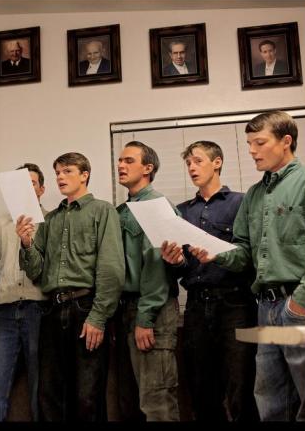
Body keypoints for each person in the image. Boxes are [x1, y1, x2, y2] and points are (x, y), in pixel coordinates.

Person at [188, 111, 305, 421]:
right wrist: (216, 254)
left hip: (299, 306)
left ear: (286, 141)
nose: (252, 151)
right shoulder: (255, 194)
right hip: (265, 308)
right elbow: (244, 252)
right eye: (249, 144)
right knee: (270, 399)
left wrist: (301, 301)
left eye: (259, 142)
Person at [16, 152, 125, 421]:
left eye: (67, 171)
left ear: (84, 175)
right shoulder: (50, 220)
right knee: (50, 394)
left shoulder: (103, 211)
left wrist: (98, 317)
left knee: (87, 395)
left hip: (86, 308)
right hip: (52, 311)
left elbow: (111, 268)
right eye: (57, 173)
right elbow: (36, 272)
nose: (60, 177)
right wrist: (27, 243)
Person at [160, 141, 258, 421]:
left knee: (241, 387)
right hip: (195, 308)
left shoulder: (241, 202)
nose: (192, 167)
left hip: (235, 304)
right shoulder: (181, 212)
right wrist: (174, 261)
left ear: (217, 162)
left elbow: (250, 256)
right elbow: (182, 269)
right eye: (188, 163)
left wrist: (219, 255)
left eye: (198, 161)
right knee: (201, 389)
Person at [0, 163, 48, 422]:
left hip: (39, 309)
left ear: (41, 189)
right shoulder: (0, 225)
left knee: (41, 385)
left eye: (32, 183)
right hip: (4, 311)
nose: (27, 188)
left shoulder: (52, 221)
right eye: (21, 184)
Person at [115, 141, 180, 421]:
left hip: (152, 310)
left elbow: (156, 266)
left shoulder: (156, 206)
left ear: (148, 168)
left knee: (156, 402)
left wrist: (146, 317)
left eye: (129, 160)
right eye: (120, 160)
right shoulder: (122, 210)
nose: (121, 165)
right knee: (131, 401)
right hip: (127, 311)